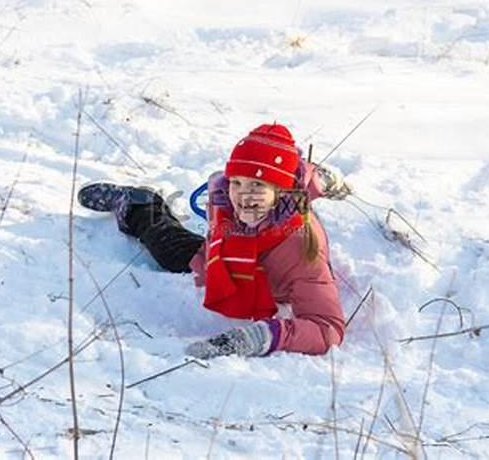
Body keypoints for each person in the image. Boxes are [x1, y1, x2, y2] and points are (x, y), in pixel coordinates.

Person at [78, 123, 351, 359]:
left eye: (257, 186)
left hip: (273, 263)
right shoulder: (226, 203)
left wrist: (264, 336)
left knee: (303, 183)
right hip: (233, 254)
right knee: (168, 250)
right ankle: (139, 205)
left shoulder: (302, 251)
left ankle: (321, 178)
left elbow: (328, 329)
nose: (244, 196)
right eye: (238, 183)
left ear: (281, 192)